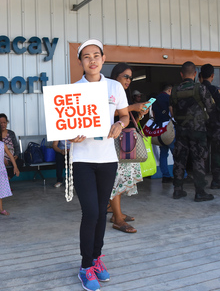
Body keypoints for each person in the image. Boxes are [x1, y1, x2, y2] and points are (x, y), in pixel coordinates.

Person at [71, 39, 130, 291]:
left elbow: (125, 115)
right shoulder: (72, 89)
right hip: (82, 159)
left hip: (107, 159)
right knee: (91, 212)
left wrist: (121, 124)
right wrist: (69, 135)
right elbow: (63, 127)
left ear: (104, 59)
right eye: (86, 56)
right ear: (81, 61)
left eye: (96, 55)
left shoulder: (115, 86)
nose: (92, 60)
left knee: (101, 213)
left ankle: (96, 259)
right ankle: (85, 267)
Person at [108, 63, 147, 234]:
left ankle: (115, 212)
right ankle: (117, 218)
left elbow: (125, 117)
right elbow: (107, 112)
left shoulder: (123, 93)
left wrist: (138, 114)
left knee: (121, 179)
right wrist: (132, 108)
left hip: (125, 142)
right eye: (125, 76)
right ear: (116, 76)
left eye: (131, 77)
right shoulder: (109, 90)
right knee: (116, 179)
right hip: (113, 142)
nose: (129, 80)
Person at [169, 61, 215, 202]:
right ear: (195, 74)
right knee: (199, 159)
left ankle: (178, 190)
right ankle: (200, 192)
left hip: (181, 130)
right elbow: (211, 107)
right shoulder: (200, 88)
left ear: (181, 74)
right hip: (198, 130)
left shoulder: (175, 90)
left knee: (180, 159)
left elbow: (171, 109)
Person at [199, 64, 220, 189]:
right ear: (212, 75)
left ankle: (200, 181)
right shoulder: (215, 90)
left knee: (200, 153)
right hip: (215, 126)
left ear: (200, 75)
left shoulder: (196, 89)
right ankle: (216, 180)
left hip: (200, 126)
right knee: (217, 152)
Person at [152, 84, 175, 183]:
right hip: (168, 128)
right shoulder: (168, 98)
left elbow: (152, 114)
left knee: (163, 153)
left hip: (159, 129)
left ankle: (165, 175)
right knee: (176, 152)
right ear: (169, 90)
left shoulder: (154, 99)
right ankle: (183, 175)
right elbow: (172, 112)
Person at [0, 113, 24, 179]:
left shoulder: (11, 133)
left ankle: (6, 179)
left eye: (4, 122)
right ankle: (1, 183)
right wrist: (2, 158)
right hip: (0, 158)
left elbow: (16, 147)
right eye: (0, 123)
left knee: (20, 162)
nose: (3, 125)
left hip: (11, 158)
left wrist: (15, 156)